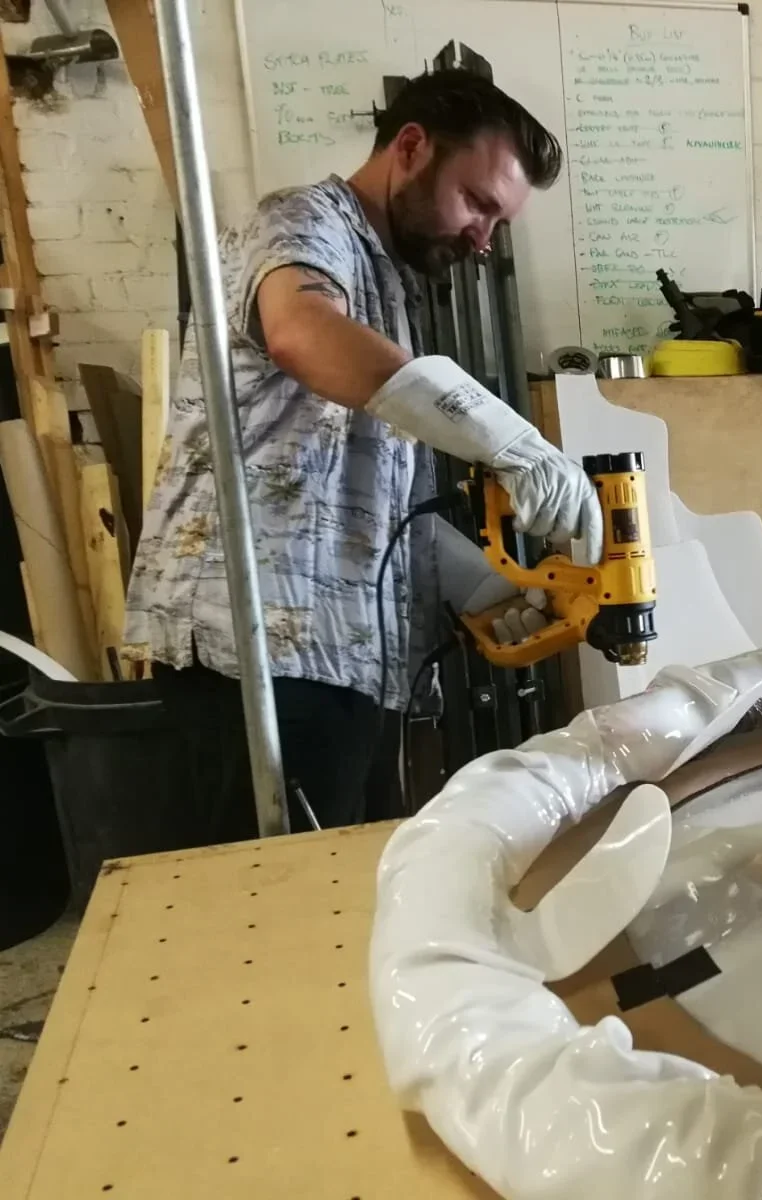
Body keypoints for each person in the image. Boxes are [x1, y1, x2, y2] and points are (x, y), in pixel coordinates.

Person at [125, 69, 595, 834]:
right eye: (477, 202)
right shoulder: (302, 222)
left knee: (323, 885)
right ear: (410, 147)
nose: (482, 239)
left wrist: (476, 583)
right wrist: (506, 439)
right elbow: (299, 331)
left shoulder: (385, 284)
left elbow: (361, 491)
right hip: (253, 655)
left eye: (498, 222)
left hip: (331, 658)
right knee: (254, 895)